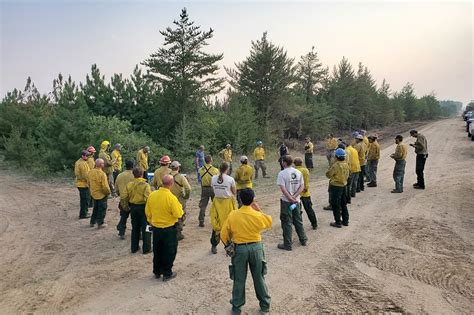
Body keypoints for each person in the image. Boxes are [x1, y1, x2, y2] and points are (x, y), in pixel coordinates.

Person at [220, 189, 272, 315]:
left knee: (239, 279)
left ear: (240, 200)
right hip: (256, 248)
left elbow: (223, 234)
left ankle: (236, 308)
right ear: (253, 199)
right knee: (259, 277)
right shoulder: (257, 215)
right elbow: (269, 222)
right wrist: (258, 209)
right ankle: (265, 306)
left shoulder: (233, 215)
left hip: (240, 250)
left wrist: (227, 246)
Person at [145, 175, 184, 281]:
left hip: (156, 228)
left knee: (157, 250)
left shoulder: (152, 195)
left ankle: (157, 271)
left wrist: (151, 221)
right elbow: (178, 214)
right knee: (170, 251)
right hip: (169, 229)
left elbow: (147, 212)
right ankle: (167, 273)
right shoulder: (171, 198)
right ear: (171, 184)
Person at [276, 155, 307, 251]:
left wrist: (290, 198)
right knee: (298, 220)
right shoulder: (298, 172)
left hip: (286, 202)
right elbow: (302, 186)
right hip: (296, 201)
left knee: (286, 222)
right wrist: (295, 197)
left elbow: (283, 189)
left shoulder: (282, 174)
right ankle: (303, 240)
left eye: (282, 161)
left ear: (284, 162)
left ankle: (287, 244)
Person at [121, 167, 152, 254]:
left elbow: (123, 197)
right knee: (147, 227)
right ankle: (147, 248)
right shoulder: (146, 185)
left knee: (135, 228)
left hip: (133, 208)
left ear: (133, 174)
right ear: (142, 174)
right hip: (143, 208)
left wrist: (126, 207)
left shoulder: (129, 185)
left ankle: (134, 248)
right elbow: (148, 199)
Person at [210, 162, 237, 254]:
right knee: (230, 224)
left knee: (216, 224)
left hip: (217, 202)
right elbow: (234, 192)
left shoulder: (213, 178)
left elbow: (213, 188)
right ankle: (229, 246)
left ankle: (214, 245)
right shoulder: (230, 179)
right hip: (227, 204)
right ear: (227, 169)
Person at [326, 148, 350, 228]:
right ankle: (345, 221)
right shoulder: (346, 164)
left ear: (336, 156)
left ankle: (338, 222)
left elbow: (328, 175)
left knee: (336, 205)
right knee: (343, 204)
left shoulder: (336, 165)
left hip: (336, 187)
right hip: (344, 186)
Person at [170, 161, 191, 240]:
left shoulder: (167, 176)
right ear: (178, 168)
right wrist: (186, 196)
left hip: (169, 198)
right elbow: (188, 188)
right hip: (179, 199)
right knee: (180, 215)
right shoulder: (181, 177)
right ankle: (178, 233)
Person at [294, 157, 318, 230]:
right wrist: (305, 188)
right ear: (302, 163)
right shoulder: (305, 170)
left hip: (296, 194)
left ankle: (299, 225)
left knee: (298, 211)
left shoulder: (294, 171)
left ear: (294, 164)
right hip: (305, 193)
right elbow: (306, 181)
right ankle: (314, 224)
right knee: (309, 209)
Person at [87, 158, 111, 228]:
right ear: (101, 165)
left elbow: (88, 182)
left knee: (95, 208)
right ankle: (100, 223)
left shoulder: (90, 172)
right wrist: (108, 192)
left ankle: (92, 222)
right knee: (102, 209)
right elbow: (105, 187)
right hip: (102, 194)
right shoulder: (102, 174)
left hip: (94, 193)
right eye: (103, 163)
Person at [115, 160, 135, 240]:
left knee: (123, 216)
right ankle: (137, 233)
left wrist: (120, 194)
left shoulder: (119, 176)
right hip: (133, 199)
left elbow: (116, 188)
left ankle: (121, 232)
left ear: (125, 166)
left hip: (123, 199)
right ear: (133, 166)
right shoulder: (134, 176)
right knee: (135, 218)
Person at [198, 155, 219, 227]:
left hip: (204, 188)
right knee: (216, 204)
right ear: (211, 161)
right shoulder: (215, 170)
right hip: (212, 188)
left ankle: (201, 220)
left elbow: (200, 175)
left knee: (203, 205)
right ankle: (217, 219)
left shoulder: (201, 169)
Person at [75, 150, 91, 219]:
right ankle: (83, 215)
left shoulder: (81, 162)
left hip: (81, 184)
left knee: (84, 199)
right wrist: (90, 181)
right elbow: (85, 175)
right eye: (86, 155)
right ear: (82, 156)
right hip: (83, 184)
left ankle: (85, 212)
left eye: (88, 155)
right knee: (85, 200)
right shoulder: (82, 163)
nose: (88, 157)